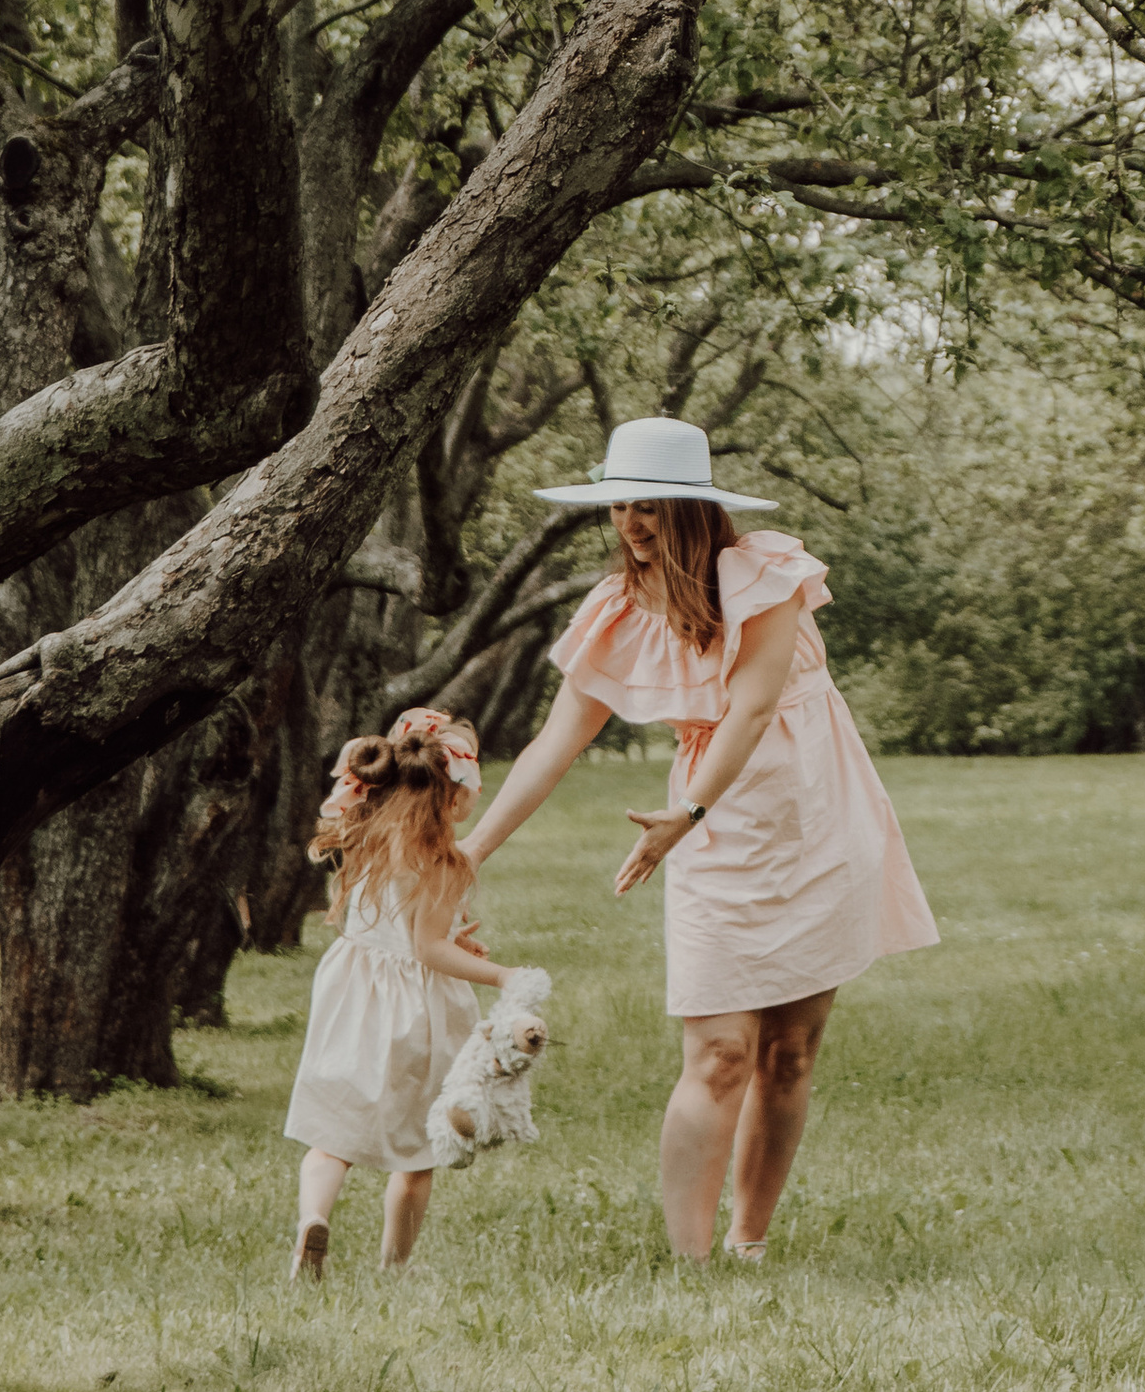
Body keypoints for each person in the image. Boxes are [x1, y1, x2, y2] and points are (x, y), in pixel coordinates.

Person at [463, 416, 937, 1262]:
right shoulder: (615, 609)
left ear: (693, 506)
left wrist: (689, 814)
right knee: (720, 1051)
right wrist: (470, 851)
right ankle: (692, 1263)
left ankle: (750, 1242)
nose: (632, 524)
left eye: (650, 505)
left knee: (790, 1051)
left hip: (812, 812)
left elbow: (753, 708)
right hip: (711, 836)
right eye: (620, 507)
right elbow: (555, 741)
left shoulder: (765, 572)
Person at [285, 705, 512, 1283]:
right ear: (457, 796)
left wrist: (448, 936)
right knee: (419, 1151)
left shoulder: (367, 836)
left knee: (331, 1134)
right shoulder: (444, 862)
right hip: (418, 1008)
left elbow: (397, 928)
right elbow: (430, 951)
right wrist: (503, 976)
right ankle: (394, 1268)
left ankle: (313, 1220)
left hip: (351, 992)